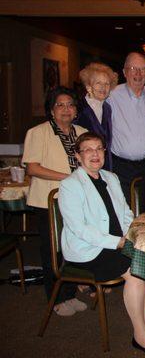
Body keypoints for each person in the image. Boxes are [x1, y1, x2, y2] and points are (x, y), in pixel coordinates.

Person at [58, 132, 145, 355]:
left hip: (118, 242)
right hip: (89, 249)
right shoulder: (69, 185)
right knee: (135, 272)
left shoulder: (111, 177)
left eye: (99, 149)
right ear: (78, 157)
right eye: (88, 150)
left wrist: (134, 233)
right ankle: (140, 334)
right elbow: (80, 229)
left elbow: (125, 213)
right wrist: (118, 242)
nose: (94, 154)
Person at [21, 87, 88, 316]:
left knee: (70, 248)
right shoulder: (38, 132)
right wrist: (67, 178)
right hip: (48, 201)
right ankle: (55, 298)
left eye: (70, 104)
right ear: (51, 110)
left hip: (75, 201)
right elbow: (32, 167)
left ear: (76, 110)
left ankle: (69, 294)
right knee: (52, 251)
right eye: (60, 105)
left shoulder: (82, 132)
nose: (66, 109)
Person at [107, 52, 145, 203]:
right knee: (125, 210)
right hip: (122, 167)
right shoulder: (111, 95)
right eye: (133, 68)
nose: (138, 73)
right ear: (124, 72)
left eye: (143, 69)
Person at [75, 62, 118, 170]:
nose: (103, 87)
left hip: (105, 163)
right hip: (85, 164)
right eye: (98, 83)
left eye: (107, 84)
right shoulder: (78, 108)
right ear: (88, 87)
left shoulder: (107, 108)